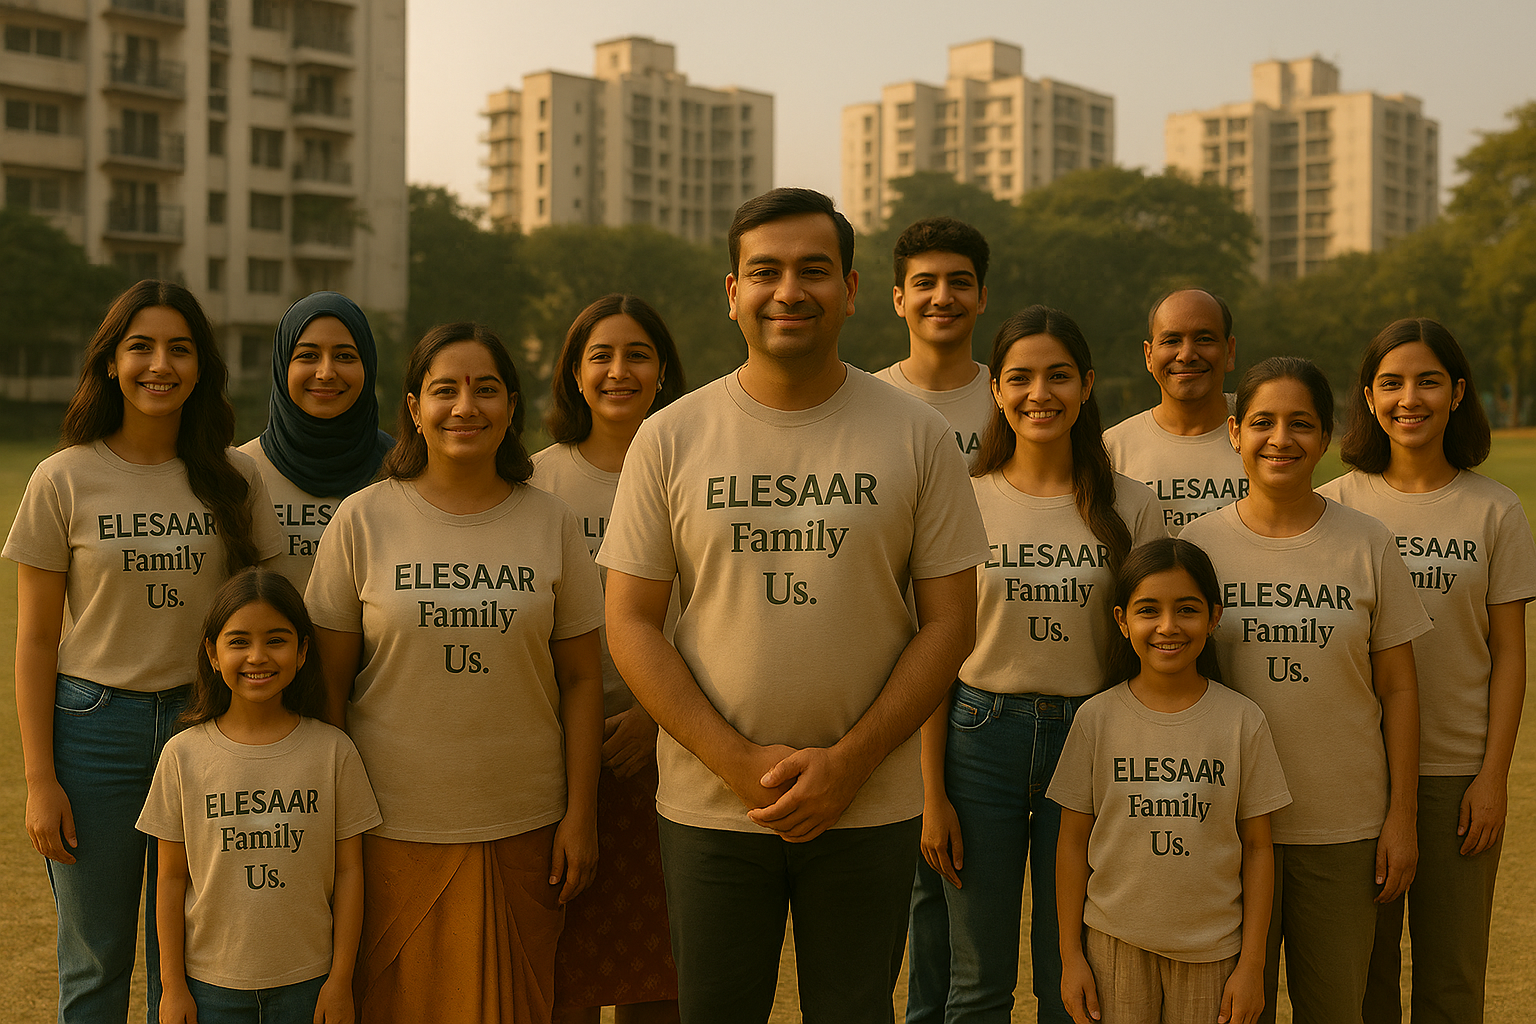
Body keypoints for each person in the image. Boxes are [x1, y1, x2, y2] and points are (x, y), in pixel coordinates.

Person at [598, 187, 990, 1024]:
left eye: (814, 270)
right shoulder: (670, 436)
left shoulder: (916, 435)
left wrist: (848, 762)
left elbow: (952, 620)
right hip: (712, 803)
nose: (789, 290)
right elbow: (630, 622)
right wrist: (734, 759)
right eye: (765, 271)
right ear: (731, 292)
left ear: (849, 290)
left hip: (869, 801)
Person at [305, 323, 606, 1023]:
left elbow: (583, 683)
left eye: (485, 389)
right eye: (445, 390)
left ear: (510, 407)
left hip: (526, 824)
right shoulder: (362, 520)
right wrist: (334, 823)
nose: (465, 407)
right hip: (389, 826)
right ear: (413, 408)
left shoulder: (552, 523)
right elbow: (329, 691)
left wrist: (582, 816)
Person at [4, 279, 283, 1021]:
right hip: (94, 732)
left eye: (180, 349)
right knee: (95, 958)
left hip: (206, 731)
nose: (160, 365)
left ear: (202, 367)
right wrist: (40, 780)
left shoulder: (236, 477)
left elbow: (265, 615)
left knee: (186, 962)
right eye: (140, 346)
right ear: (108, 363)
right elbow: (34, 640)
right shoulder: (61, 478)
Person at [908, 305, 1165, 1024]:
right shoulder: (959, 496)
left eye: (1058, 377)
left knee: (1073, 979)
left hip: (1091, 742)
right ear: (996, 390)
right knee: (978, 981)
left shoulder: (1133, 507)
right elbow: (933, 648)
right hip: (977, 739)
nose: (1038, 394)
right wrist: (932, 794)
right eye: (1019, 378)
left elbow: (1152, 651)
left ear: (1086, 386)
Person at [1180, 356, 1428, 1024]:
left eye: (1301, 424)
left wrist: (1400, 816)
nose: (1280, 439)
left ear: (1327, 437)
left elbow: (1401, 690)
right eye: (1262, 422)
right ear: (1234, 433)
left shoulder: (1368, 542)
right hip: (1226, 833)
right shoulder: (1196, 547)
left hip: (1342, 829)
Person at [1318, 318, 1536, 1024]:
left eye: (1428, 381)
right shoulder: (1336, 505)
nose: (1409, 398)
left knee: (1451, 982)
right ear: (1370, 397)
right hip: (1357, 775)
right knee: (1363, 981)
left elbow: (1508, 656)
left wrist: (1493, 777)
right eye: (1391, 383)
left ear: (1458, 393)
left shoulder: (1495, 510)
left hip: (1456, 779)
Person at [1052, 538, 1290, 1024]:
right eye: (1148, 610)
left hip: (1215, 955)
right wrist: (1071, 956)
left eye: (1187, 609)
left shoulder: (1243, 721)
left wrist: (1252, 965)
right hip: (1113, 947)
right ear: (1121, 621)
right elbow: (1072, 843)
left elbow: (1260, 849)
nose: (1167, 626)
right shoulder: (1095, 720)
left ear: (1214, 617)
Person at [531, 294, 688, 1024]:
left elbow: (720, 613)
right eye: (600, 355)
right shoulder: (532, 482)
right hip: (551, 761)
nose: (618, 372)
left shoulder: (695, 468)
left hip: (669, 753)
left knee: (656, 976)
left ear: (663, 373)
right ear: (572, 372)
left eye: (637, 355)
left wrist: (657, 722)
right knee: (561, 971)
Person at [140, 568, 381, 1024]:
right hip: (210, 987)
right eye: (238, 641)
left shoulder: (333, 752)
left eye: (276, 640)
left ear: (303, 650)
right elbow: (169, 881)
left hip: (308, 983)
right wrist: (172, 988)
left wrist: (340, 980)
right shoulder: (181, 756)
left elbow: (350, 872)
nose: (257, 656)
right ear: (212, 653)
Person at [239, 291, 393, 590]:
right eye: (308, 355)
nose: (325, 373)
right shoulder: (242, 472)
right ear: (283, 365)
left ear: (368, 365)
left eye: (345, 356)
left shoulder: (404, 471)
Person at [1104, 289, 1246, 536]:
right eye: (1171, 341)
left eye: (1204, 339)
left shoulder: (1264, 435)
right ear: (1149, 355)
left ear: (1230, 351)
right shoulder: (1112, 450)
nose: (1187, 355)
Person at [874, 217, 993, 466]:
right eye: (925, 284)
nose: (942, 298)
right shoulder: (866, 399)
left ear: (981, 299)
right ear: (899, 300)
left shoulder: (1011, 401)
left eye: (959, 283)